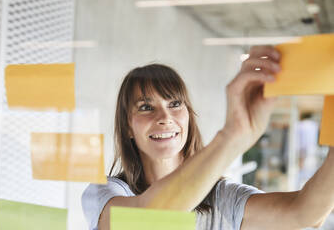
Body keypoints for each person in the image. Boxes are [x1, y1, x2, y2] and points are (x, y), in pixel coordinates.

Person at [82, 46, 334, 230]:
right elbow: (146, 219)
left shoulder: (222, 198)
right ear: (127, 126)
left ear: (188, 116)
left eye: (175, 104)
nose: (164, 117)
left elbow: (305, 213)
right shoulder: (106, 192)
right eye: (146, 107)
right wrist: (233, 135)